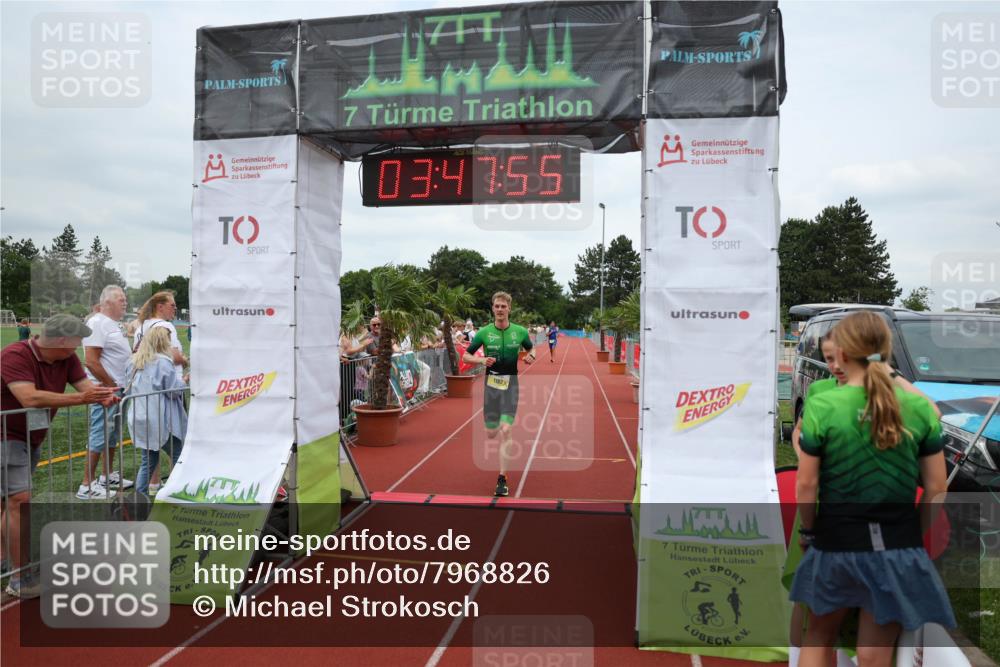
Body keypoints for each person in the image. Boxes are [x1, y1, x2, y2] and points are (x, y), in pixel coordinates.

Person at [790, 312, 954, 667]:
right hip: (897, 544)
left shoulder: (823, 404)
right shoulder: (919, 408)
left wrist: (809, 529)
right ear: (885, 351)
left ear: (845, 352)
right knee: (874, 655)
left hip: (836, 540)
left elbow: (807, 482)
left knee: (818, 636)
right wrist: (913, 535)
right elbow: (936, 488)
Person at [1, 314, 119, 598]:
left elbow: (85, 387)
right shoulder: (14, 355)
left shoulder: (67, 359)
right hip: (5, 436)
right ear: (63, 342)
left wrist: (101, 394)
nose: (81, 346)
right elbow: (29, 398)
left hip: (29, 437)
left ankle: (6, 563)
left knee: (8, 502)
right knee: (19, 501)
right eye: (78, 341)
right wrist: (82, 399)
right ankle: (20, 578)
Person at [463, 292, 535, 497]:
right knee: (491, 432)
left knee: (505, 430)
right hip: (491, 387)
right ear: (493, 308)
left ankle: (502, 479)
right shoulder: (484, 333)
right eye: (497, 306)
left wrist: (531, 356)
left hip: (511, 385)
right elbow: (467, 355)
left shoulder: (520, 332)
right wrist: (481, 361)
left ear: (509, 309)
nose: (500, 309)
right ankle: (494, 428)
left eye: (504, 306)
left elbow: (532, 349)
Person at [78, 285, 133, 499]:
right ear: (107, 302)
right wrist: (110, 386)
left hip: (117, 389)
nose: (125, 302)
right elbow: (91, 361)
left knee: (111, 435)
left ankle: (107, 475)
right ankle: (86, 485)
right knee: (100, 434)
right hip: (106, 391)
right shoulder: (98, 322)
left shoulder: (113, 324)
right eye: (121, 299)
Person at [126, 327, 188, 496]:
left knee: (149, 459)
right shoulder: (162, 362)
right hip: (160, 417)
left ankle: (140, 495)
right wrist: (184, 381)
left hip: (140, 415)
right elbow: (173, 391)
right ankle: (177, 492)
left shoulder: (134, 361)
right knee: (178, 454)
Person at [133, 291, 188, 377]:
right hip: (168, 381)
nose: (175, 308)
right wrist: (185, 361)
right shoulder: (166, 326)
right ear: (160, 307)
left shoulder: (141, 328)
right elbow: (175, 357)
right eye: (172, 305)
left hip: (147, 380)